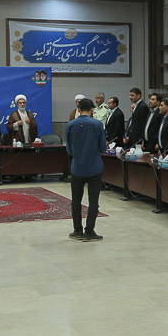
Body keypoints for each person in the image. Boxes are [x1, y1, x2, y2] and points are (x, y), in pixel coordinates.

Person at [66, 97, 107, 241]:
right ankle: (89, 231)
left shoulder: (70, 125)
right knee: (93, 201)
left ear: (78, 109)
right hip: (94, 167)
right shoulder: (97, 124)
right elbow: (103, 147)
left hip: (77, 168)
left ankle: (77, 230)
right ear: (92, 110)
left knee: (76, 201)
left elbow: (69, 149)